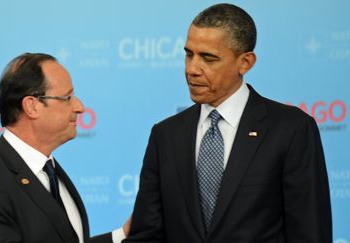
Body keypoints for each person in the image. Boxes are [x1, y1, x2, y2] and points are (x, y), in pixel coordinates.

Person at [124, 3, 332, 243]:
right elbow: (146, 235)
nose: (192, 69)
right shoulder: (165, 135)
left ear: (245, 62)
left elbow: (309, 234)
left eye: (208, 59)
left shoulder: (291, 130)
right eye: (189, 54)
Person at [0, 53, 130, 243]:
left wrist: (122, 235)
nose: (80, 107)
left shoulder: (50, 171)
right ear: (32, 106)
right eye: (67, 97)